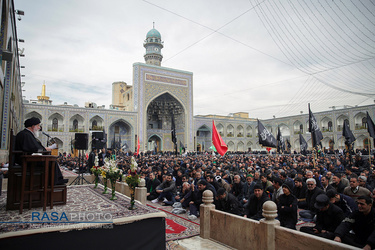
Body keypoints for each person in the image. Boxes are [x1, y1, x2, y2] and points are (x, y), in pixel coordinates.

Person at [15, 117, 67, 185]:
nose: (39, 128)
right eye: (38, 125)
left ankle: (55, 180)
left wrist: (44, 149)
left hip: (26, 158)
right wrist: (44, 150)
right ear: (33, 126)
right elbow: (34, 149)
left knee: (51, 160)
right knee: (51, 161)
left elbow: (34, 148)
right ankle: (54, 182)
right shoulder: (26, 135)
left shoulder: (27, 134)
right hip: (25, 160)